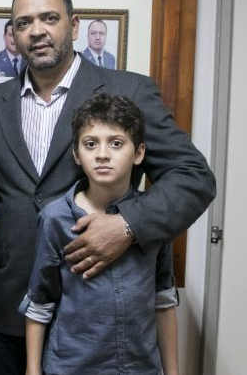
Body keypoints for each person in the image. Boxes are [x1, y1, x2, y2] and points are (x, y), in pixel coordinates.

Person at [0, 0, 215, 375]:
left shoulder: (129, 90)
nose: (37, 31)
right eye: (24, 23)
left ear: (74, 25)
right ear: (14, 35)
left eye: (49, 18)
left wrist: (128, 225)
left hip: (100, 320)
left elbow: (193, 176)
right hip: (9, 314)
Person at [20, 93, 179, 375]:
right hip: (71, 367)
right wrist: (33, 371)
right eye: (90, 144)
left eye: (116, 143)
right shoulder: (56, 219)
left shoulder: (153, 216)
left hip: (139, 368)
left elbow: (163, 300)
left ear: (138, 153)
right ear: (76, 154)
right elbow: (40, 303)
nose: (102, 154)